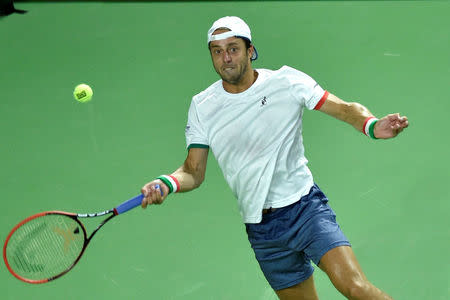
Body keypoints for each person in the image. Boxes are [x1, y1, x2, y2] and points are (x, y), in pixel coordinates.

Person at [141, 16, 408, 300]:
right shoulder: (202, 106)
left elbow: (345, 109)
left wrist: (372, 125)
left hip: (305, 209)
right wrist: (166, 184)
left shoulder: (286, 81)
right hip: (262, 229)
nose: (226, 58)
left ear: (250, 51)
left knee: (355, 288)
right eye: (217, 51)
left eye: (233, 48)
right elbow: (193, 170)